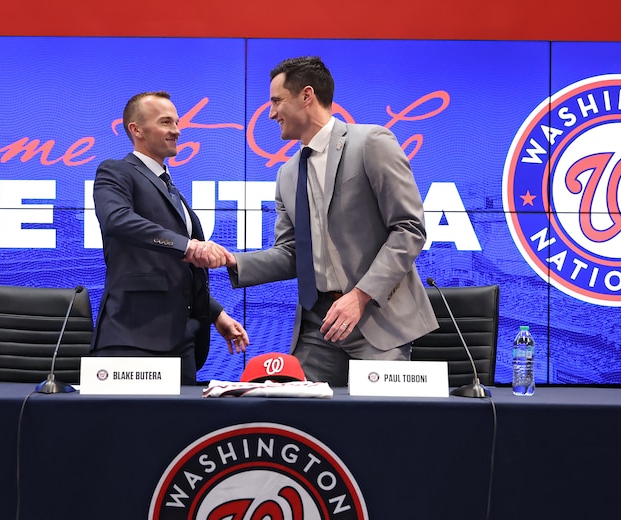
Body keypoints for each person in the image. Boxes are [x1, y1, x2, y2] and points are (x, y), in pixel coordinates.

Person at [223, 56, 437, 386]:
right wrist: (233, 261)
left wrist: (360, 296)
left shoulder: (371, 143)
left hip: (378, 321)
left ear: (306, 96)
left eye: (277, 101)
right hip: (318, 327)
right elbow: (292, 252)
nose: (271, 113)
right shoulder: (287, 174)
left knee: (384, 427)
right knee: (302, 423)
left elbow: (409, 228)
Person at [92, 90, 249, 384]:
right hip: (133, 341)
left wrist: (215, 314)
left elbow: (173, 270)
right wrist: (187, 246)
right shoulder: (116, 172)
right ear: (135, 129)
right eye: (166, 122)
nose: (176, 130)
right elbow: (117, 220)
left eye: (176, 123)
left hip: (182, 341)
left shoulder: (170, 188)